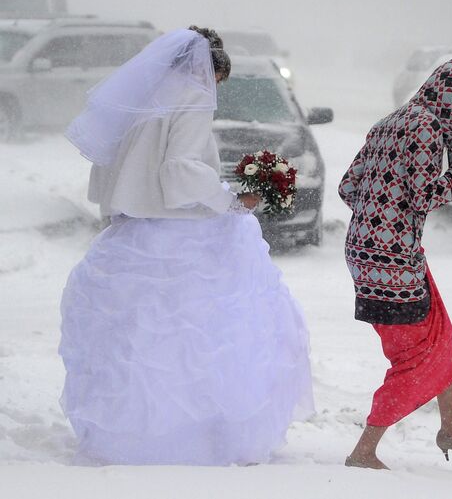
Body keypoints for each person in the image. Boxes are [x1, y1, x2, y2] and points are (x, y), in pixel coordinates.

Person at [59, 26, 314, 465]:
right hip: (185, 233)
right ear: (209, 70)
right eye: (218, 82)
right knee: (208, 340)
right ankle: (203, 440)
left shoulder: (143, 96)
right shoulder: (192, 95)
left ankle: (133, 438)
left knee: (143, 344)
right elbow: (179, 168)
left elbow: (117, 162)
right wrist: (230, 198)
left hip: (135, 233)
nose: (215, 90)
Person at [338, 58, 452, 469]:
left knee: (439, 336)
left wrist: (381, 211)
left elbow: (347, 186)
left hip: (370, 251)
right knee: (419, 359)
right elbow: (425, 196)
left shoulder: (390, 121)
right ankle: (364, 450)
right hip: (392, 261)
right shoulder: (426, 127)